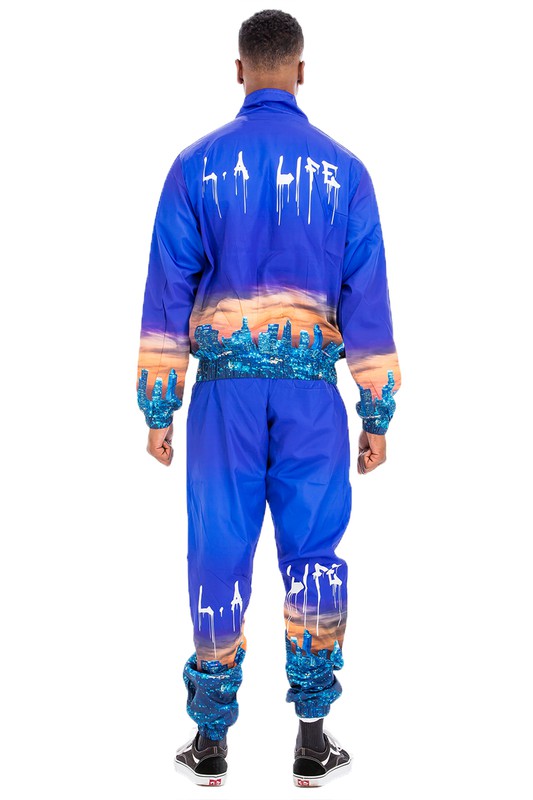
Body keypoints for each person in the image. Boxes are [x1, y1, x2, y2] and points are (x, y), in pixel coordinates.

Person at [136, 8, 401, 789]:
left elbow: (167, 290)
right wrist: (375, 412)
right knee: (313, 555)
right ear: (301, 71)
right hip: (313, 400)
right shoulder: (346, 173)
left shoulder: (194, 167)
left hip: (222, 402)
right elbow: (366, 298)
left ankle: (209, 740)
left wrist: (159, 406)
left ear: (239, 69)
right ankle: (312, 739)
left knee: (218, 553)